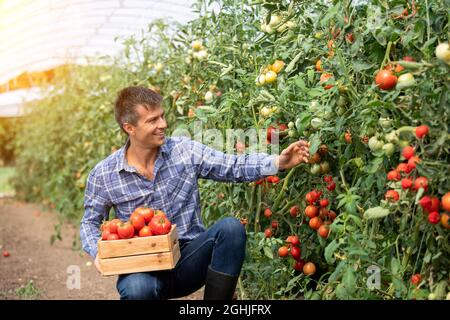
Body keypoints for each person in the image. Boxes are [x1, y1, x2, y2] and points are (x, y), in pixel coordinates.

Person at [80, 86, 310, 300]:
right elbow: (90, 222)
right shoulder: (104, 174)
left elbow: (232, 166)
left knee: (230, 228)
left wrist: (278, 162)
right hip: (142, 268)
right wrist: (97, 252)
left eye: (162, 116)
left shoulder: (184, 151)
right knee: (138, 289)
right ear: (129, 128)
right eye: (152, 120)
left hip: (189, 260)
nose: (163, 124)